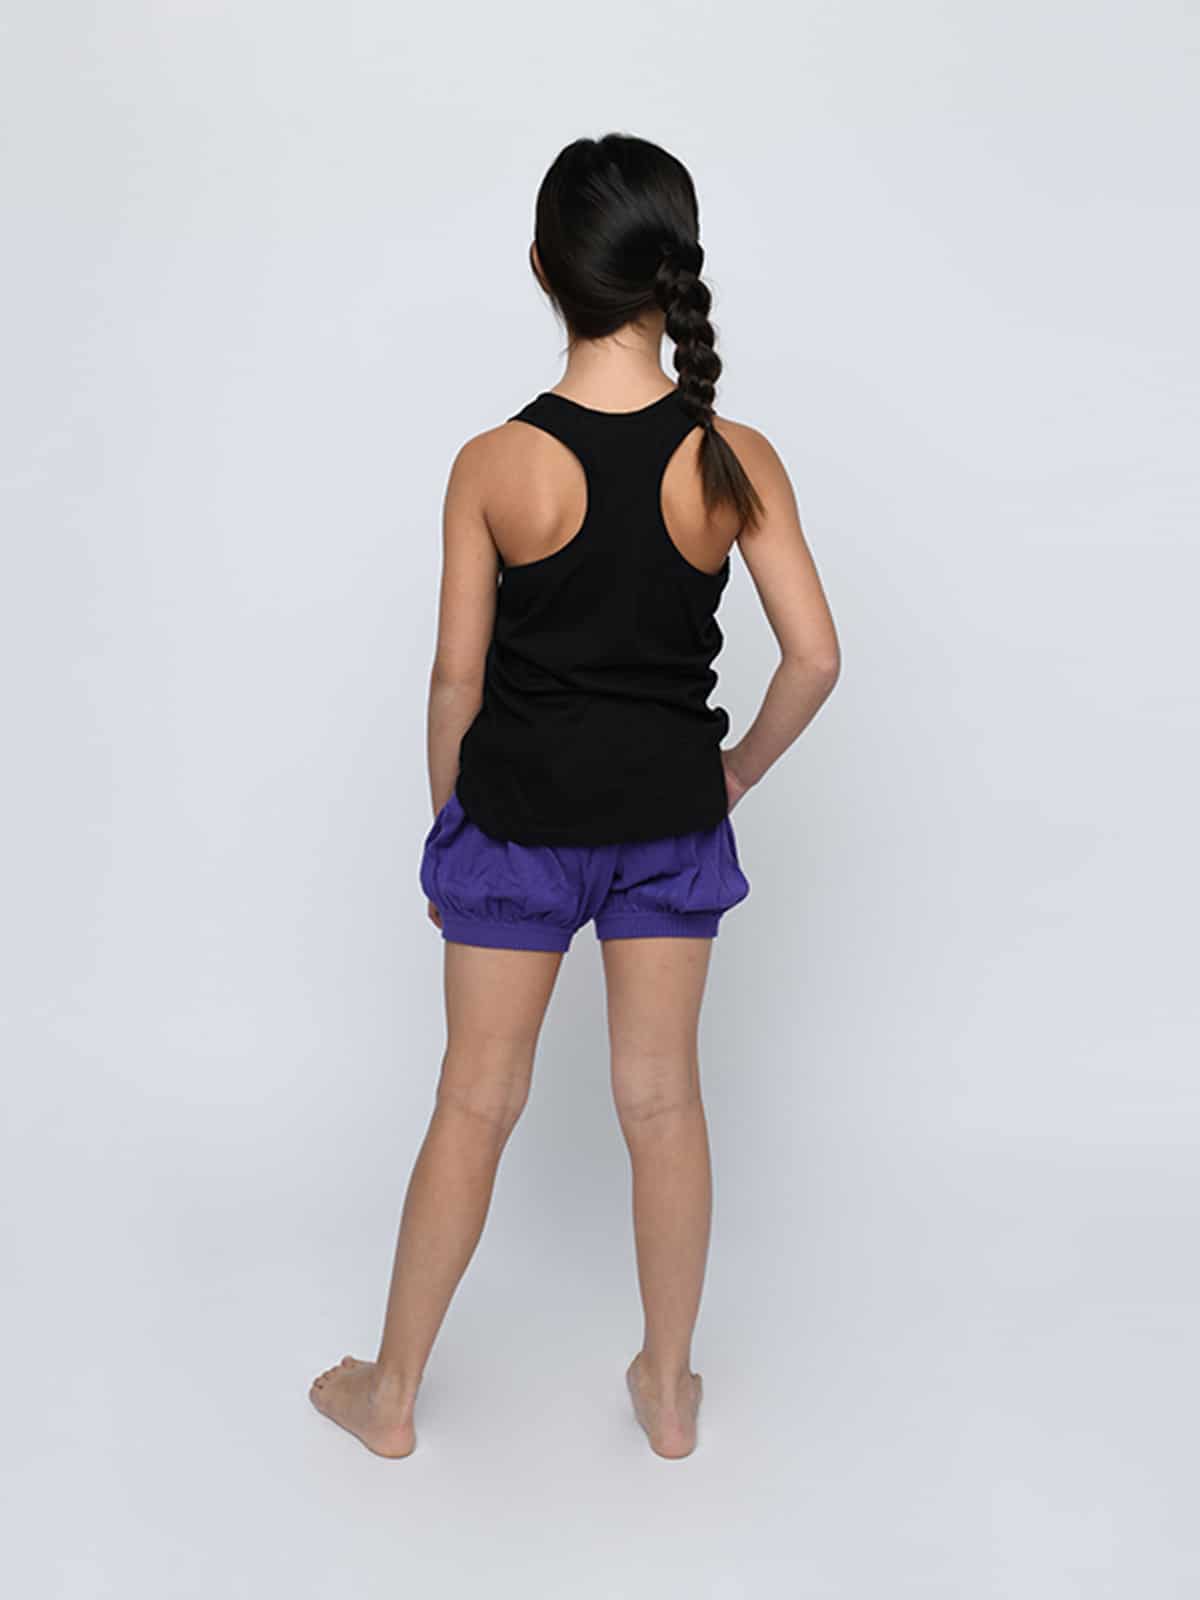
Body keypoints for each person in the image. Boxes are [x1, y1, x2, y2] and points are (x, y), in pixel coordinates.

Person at [309, 132, 840, 1460]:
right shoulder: (733, 456)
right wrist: (733, 772)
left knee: (474, 1101)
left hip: (517, 832)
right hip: (669, 827)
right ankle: (668, 1391)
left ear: (544, 270)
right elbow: (816, 658)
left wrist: (453, 838)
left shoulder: (494, 463)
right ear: (673, 272)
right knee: (662, 1102)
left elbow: (455, 676)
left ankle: (392, 1395)